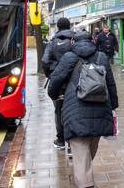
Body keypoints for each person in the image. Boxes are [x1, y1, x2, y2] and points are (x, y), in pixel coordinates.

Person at [48, 30, 118, 188]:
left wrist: (54, 95)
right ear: (92, 40)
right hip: (101, 108)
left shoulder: (69, 57)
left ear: (73, 41)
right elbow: (111, 83)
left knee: (80, 154)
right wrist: (113, 106)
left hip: (75, 110)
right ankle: (85, 176)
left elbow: (55, 80)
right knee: (89, 150)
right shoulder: (101, 57)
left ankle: (85, 183)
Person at [41, 17, 74, 150]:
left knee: (59, 109)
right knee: (74, 109)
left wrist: (51, 75)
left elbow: (45, 61)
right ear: (69, 26)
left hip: (58, 83)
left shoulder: (53, 42)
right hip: (73, 79)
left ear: (58, 28)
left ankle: (60, 140)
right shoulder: (74, 40)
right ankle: (73, 142)